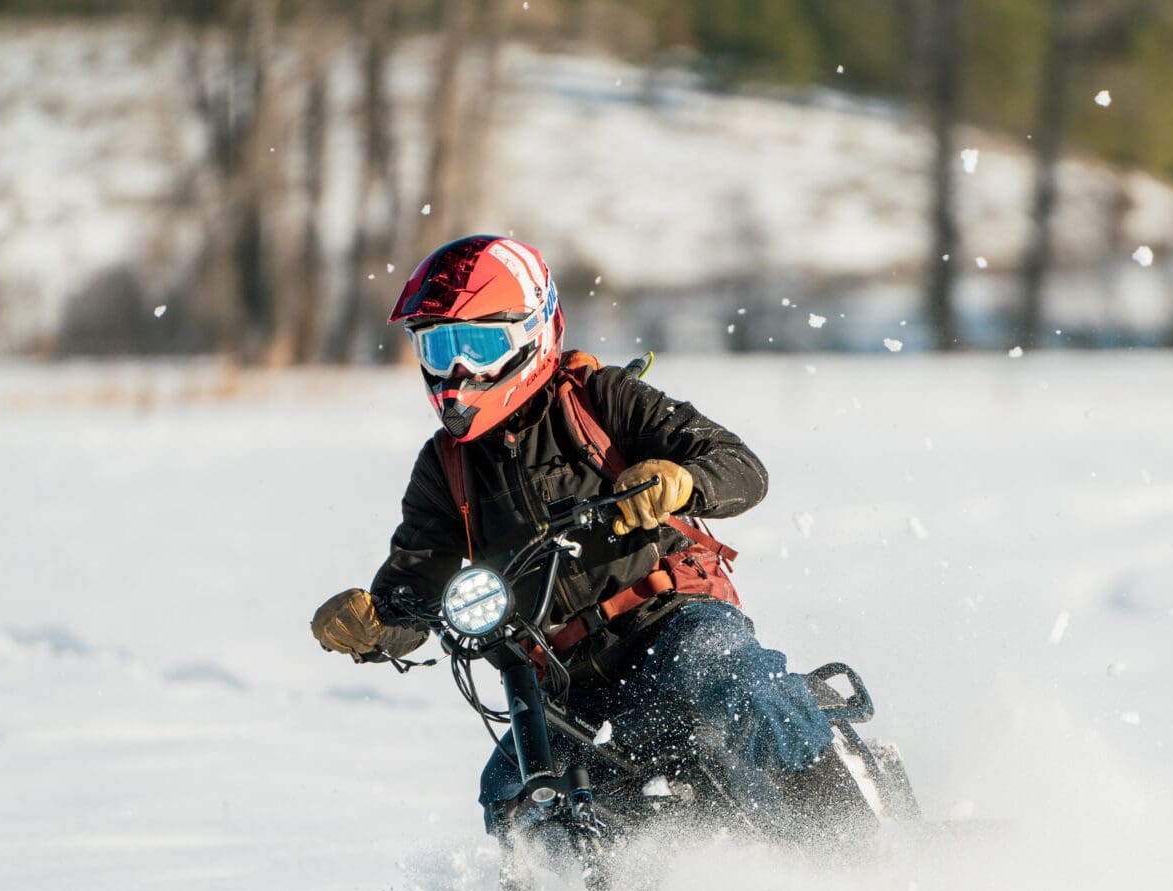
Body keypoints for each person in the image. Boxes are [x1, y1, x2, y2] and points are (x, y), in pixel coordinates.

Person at [310, 235, 856, 835]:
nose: (457, 370)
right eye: (439, 348)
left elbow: (742, 468)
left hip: (671, 622)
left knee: (736, 685)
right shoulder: (446, 468)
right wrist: (374, 623)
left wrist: (680, 480)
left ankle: (853, 845)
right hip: (563, 678)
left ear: (533, 332)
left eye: (480, 343)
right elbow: (415, 588)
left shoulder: (603, 399)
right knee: (510, 791)